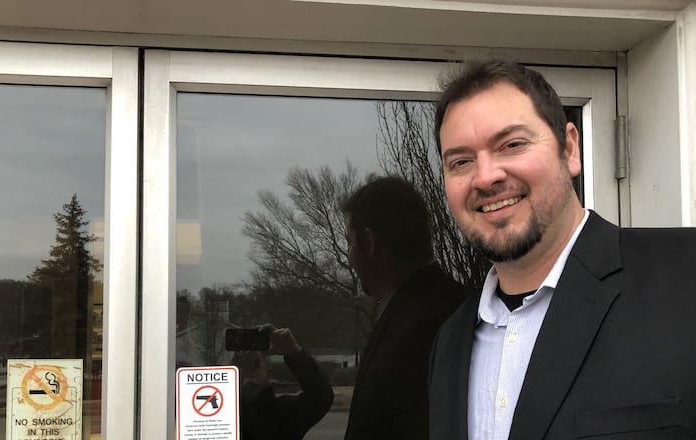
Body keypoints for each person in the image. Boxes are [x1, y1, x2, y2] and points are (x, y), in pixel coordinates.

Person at [428, 58, 696, 440]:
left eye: (513, 144)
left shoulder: (685, 278)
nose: (485, 176)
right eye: (461, 161)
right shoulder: (450, 342)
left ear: (569, 148)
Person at [341, 176, 467, 440]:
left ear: (370, 243)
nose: (350, 255)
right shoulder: (446, 305)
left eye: (350, 242)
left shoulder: (421, 328)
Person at [232, 324, 333, 440]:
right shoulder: (224, 415)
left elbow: (321, 396)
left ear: (268, 374)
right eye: (241, 363)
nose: (248, 369)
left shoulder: (284, 413)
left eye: (255, 363)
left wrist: (294, 352)